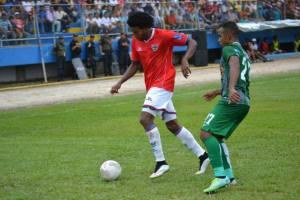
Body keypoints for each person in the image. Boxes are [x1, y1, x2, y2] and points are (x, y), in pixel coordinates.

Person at [110, 12, 209, 179]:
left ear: (145, 28)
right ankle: (203, 156)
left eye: (136, 31)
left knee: (145, 119)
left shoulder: (164, 35)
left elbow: (192, 41)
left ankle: (161, 162)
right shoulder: (136, 41)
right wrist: (120, 82)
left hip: (164, 83)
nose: (134, 35)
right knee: (172, 125)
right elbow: (135, 64)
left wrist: (185, 59)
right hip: (152, 87)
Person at [200, 21, 250, 193]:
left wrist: (230, 89)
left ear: (229, 35)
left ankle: (220, 177)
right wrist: (217, 91)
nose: (219, 38)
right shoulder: (240, 49)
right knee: (217, 137)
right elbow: (236, 73)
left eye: (220, 35)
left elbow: (234, 65)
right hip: (243, 102)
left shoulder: (228, 49)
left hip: (233, 99)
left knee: (206, 132)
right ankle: (229, 176)